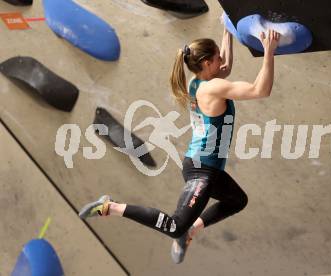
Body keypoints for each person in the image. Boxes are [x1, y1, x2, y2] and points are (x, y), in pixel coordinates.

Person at [78, 27, 281, 264]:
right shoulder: (212, 88)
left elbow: (224, 68)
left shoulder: (198, 82)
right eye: (217, 58)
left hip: (204, 167)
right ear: (206, 63)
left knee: (237, 200)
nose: (222, 62)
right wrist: (269, 52)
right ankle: (109, 207)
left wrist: (228, 32)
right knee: (174, 226)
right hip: (202, 172)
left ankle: (190, 231)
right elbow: (261, 90)